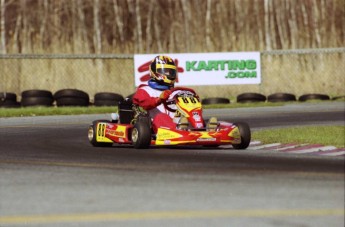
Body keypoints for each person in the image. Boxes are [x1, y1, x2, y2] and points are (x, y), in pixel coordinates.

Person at [132, 55, 186, 133]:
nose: (169, 74)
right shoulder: (145, 90)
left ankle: (202, 128)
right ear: (154, 71)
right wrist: (159, 99)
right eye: (165, 71)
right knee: (161, 117)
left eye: (171, 72)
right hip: (154, 125)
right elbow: (145, 104)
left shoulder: (175, 92)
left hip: (177, 121)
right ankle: (178, 131)